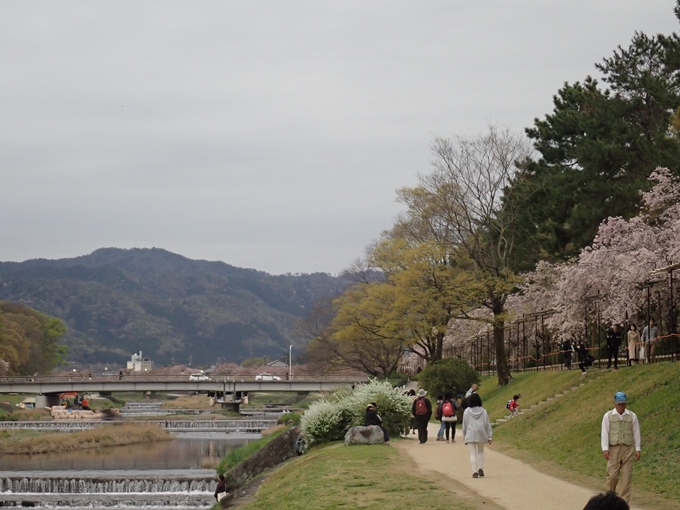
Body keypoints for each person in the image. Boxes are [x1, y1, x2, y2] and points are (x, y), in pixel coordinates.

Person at [601, 392, 641, 503]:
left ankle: (624, 504)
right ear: (614, 403)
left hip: (628, 449)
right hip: (613, 449)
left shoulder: (632, 416)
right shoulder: (608, 416)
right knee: (612, 476)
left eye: (623, 404)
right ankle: (609, 500)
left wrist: (638, 449)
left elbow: (636, 432)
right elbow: (605, 432)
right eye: (619, 404)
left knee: (627, 478)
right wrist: (605, 448)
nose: (621, 407)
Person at [462, 393, 492, 478]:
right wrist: (490, 436)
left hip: (470, 433)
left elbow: (465, 425)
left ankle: (474, 471)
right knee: (481, 451)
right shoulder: (483, 411)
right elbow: (487, 424)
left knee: (472, 453)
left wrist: (464, 435)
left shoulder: (467, 411)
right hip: (481, 433)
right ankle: (480, 468)